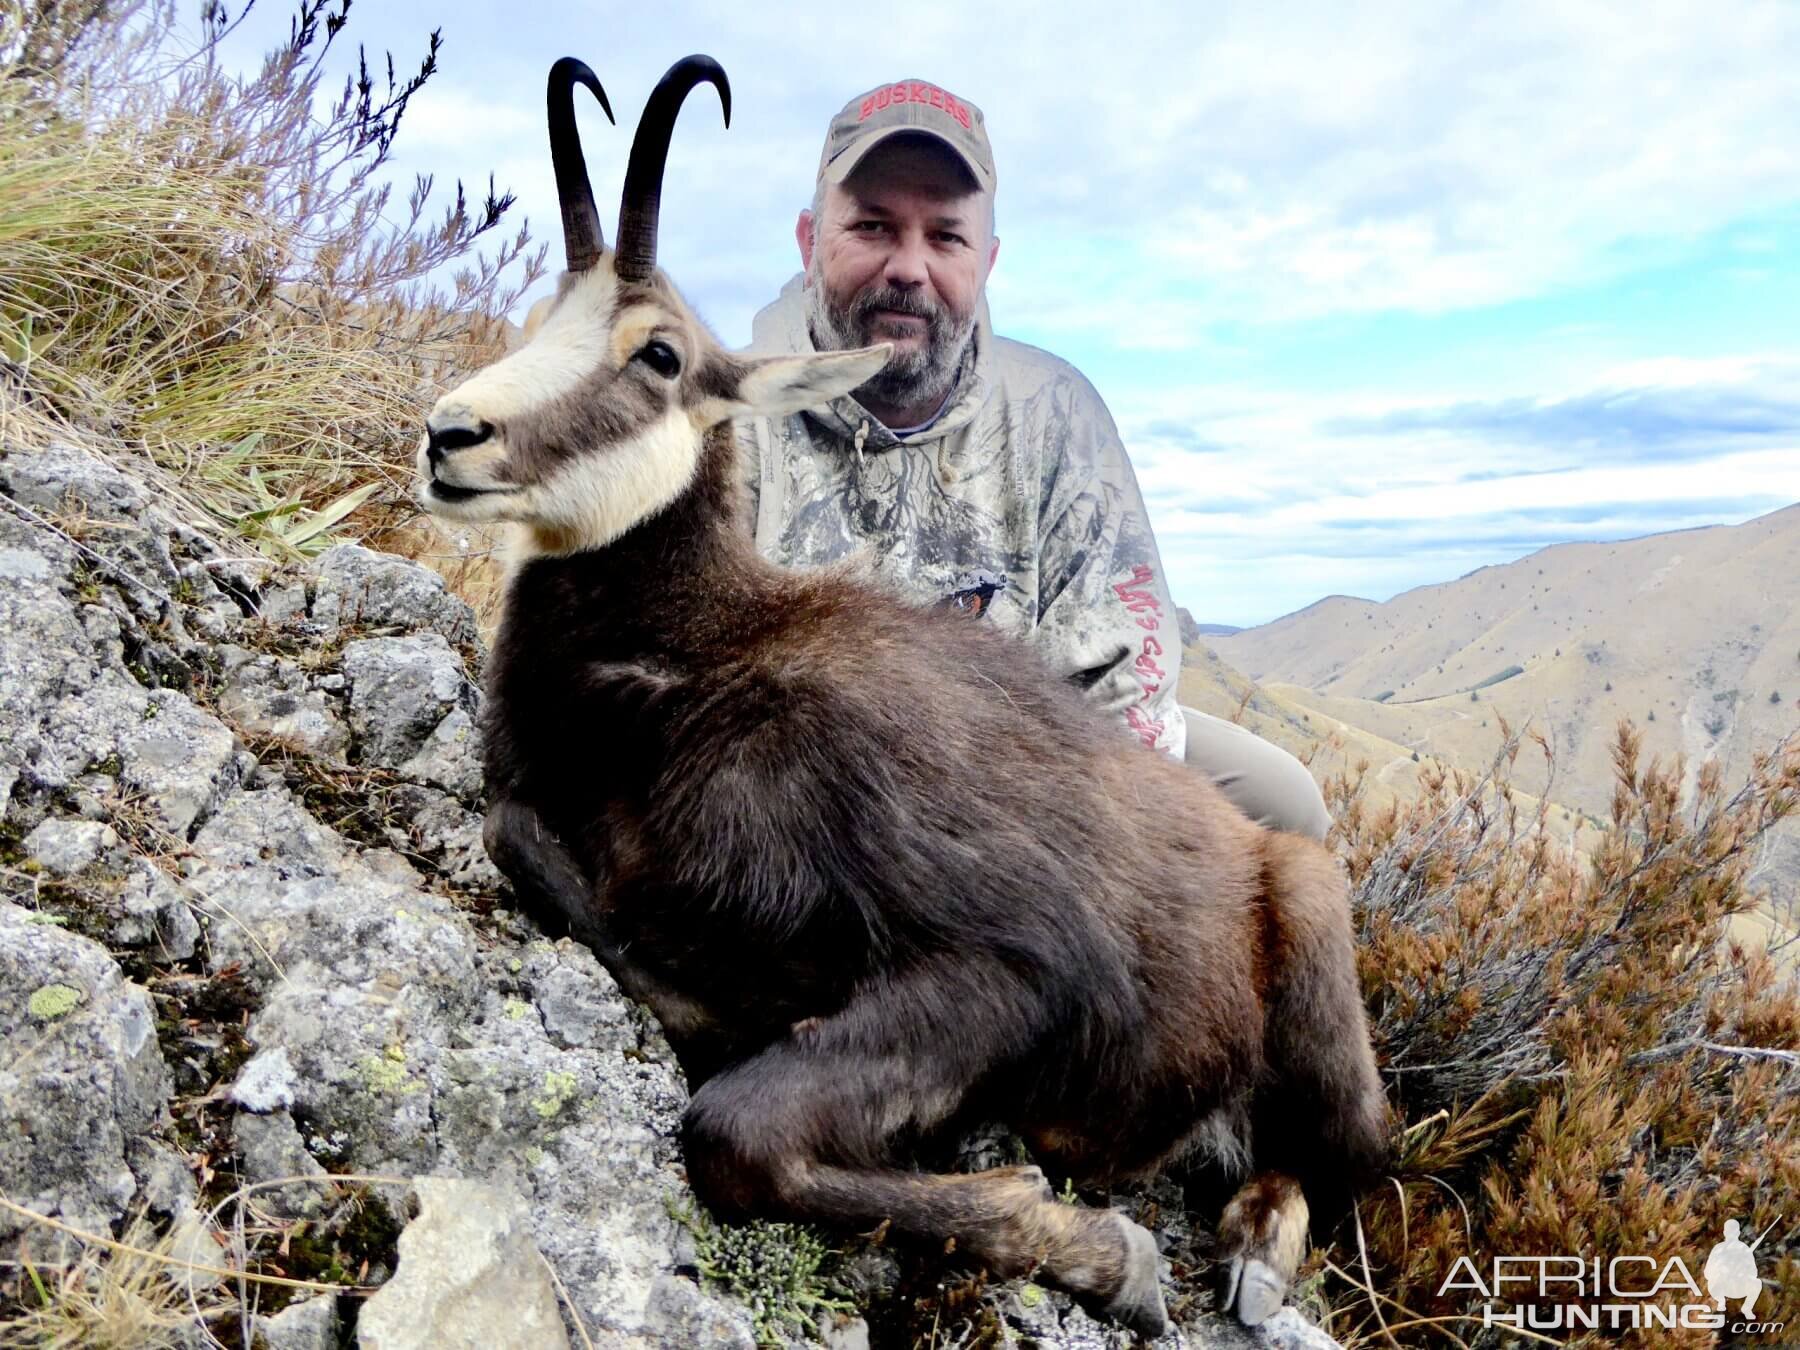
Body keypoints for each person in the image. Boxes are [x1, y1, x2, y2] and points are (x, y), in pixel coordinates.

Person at [736, 78, 1330, 841]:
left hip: (1030, 772)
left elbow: (1124, 690)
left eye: (945, 236)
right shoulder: (729, 413)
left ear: (987, 259)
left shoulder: (1057, 410)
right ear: (809, 240)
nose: (908, 267)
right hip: (803, 792)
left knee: (1284, 810)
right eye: (874, 227)